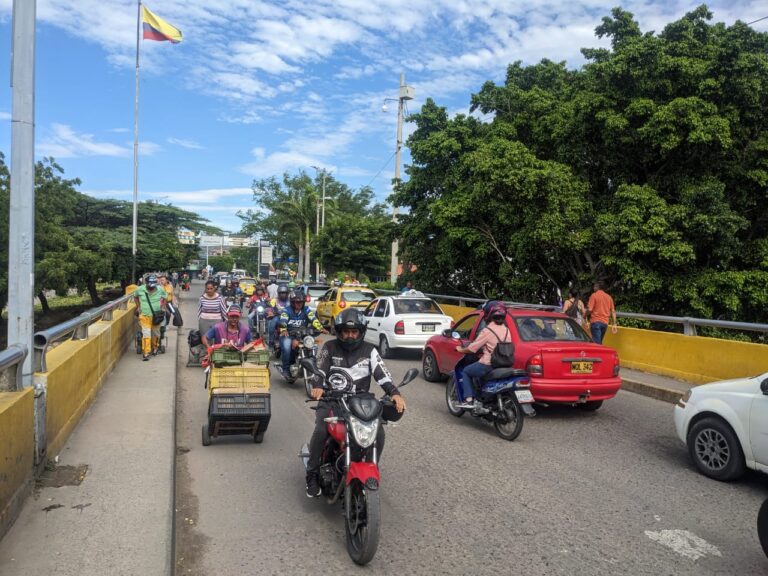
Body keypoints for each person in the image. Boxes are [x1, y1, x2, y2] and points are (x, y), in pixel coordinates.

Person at [305, 308, 406, 497]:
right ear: (339, 331)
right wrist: (318, 386)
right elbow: (319, 370)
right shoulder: (329, 347)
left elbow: (382, 375)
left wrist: (395, 393)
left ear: (361, 332)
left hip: (360, 402)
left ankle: (370, 465)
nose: (350, 336)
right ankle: (311, 474)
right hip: (332, 399)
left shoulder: (370, 350)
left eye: (354, 332)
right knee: (320, 430)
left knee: (379, 433)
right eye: (346, 332)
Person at [454, 303, 511, 409]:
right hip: (504, 364)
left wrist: (461, 349)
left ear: (487, 316)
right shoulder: (507, 330)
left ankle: (469, 400)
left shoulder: (487, 331)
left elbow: (472, 348)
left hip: (488, 364)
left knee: (466, 371)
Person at [278, 291, 326, 380]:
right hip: (288, 334)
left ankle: (313, 367)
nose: (299, 304)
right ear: (292, 302)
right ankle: (286, 370)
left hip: (303, 334)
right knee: (287, 347)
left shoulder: (306, 310)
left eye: (301, 302)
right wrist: (283, 329)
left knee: (313, 346)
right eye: (297, 302)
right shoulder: (286, 310)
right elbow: (283, 320)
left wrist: (320, 328)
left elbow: (313, 318)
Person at [133, 274, 167, 361]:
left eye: (153, 286)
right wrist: (138, 307)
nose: (151, 288)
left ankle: (155, 348)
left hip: (156, 317)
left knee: (156, 334)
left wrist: (163, 307)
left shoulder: (160, 289)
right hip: (144, 316)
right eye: (150, 286)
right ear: (146, 283)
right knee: (146, 334)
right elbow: (135, 296)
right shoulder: (140, 289)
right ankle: (146, 352)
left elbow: (165, 297)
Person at [266, 284, 290, 349]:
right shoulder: (274, 300)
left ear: (287, 293)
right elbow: (270, 308)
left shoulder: (290, 301)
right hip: (277, 317)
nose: (283, 295)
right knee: (272, 325)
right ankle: (271, 343)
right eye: (281, 293)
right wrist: (270, 312)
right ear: (278, 293)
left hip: (288, 318)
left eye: (284, 293)